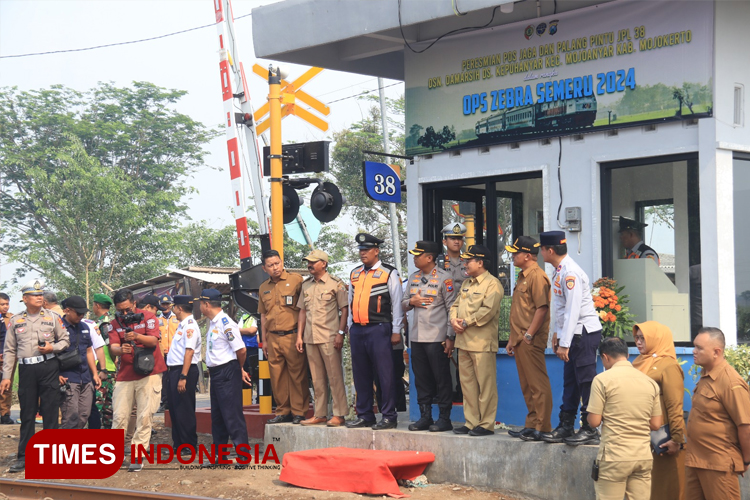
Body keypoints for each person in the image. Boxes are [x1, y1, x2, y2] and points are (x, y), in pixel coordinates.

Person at [539, 230, 603, 445]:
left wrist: (564, 343)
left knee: (586, 381)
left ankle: (590, 428)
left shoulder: (570, 273)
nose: (540, 253)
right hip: (572, 333)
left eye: (542, 249)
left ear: (550, 250)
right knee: (571, 382)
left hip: (583, 332)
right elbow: (560, 308)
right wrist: (557, 334)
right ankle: (566, 425)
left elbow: (573, 310)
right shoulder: (560, 270)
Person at [0, 279, 70, 473]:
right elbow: (10, 350)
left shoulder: (53, 317)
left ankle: (51, 458)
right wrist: (7, 376)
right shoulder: (16, 321)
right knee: (27, 414)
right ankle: (23, 457)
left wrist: (52, 347)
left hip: (49, 367)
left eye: (41, 294)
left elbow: (65, 340)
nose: (40, 297)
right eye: (35, 295)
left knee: (49, 413)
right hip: (26, 371)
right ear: (25, 299)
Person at [587, 337, 663, 500]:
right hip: (642, 456)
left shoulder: (602, 380)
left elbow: (594, 422)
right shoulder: (649, 383)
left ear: (605, 357)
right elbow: (656, 424)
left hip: (614, 457)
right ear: (627, 355)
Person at [346, 233, 404, 430]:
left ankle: (388, 415)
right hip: (358, 329)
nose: (363, 253)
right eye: (361, 250)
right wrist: (349, 326)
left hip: (380, 328)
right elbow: (350, 302)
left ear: (376, 251)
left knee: (384, 374)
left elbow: (397, 303)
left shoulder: (389, 272)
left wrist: (397, 330)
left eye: (367, 250)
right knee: (361, 374)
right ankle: (365, 415)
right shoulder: (355, 273)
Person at [685, 327, 750, 500]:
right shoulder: (707, 375)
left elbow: (745, 426)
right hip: (696, 460)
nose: (694, 351)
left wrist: (745, 461)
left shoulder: (730, 381)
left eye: (699, 347)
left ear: (716, 352)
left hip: (718, 464)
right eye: (694, 346)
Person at [108, 288, 167, 472]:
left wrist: (137, 337)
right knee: (119, 417)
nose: (124, 313)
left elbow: (153, 341)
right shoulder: (113, 323)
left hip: (149, 372)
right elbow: (113, 347)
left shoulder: (149, 317)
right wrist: (120, 350)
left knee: (144, 416)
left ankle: (137, 456)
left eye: (127, 309)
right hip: (125, 375)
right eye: (120, 310)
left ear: (134, 303)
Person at [449, 244, 503, 436]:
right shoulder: (466, 283)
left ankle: (486, 424)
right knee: (467, 385)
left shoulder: (492, 284)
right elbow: (454, 305)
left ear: (480, 263)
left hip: (481, 344)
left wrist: (465, 322)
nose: (465, 264)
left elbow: (487, 311)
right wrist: (453, 320)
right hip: (463, 342)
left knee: (485, 385)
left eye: (469, 260)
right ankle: (471, 422)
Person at [402, 241, 456, 432]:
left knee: (441, 378)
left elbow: (452, 309)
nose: (415, 258)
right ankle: (425, 416)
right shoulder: (413, 277)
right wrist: (412, 301)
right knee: (421, 379)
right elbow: (403, 304)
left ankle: (444, 418)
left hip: (437, 336)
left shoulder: (445, 278)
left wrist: (450, 336)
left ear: (430, 258)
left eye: (418, 255)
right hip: (417, 337)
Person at [505, 236, 553, 442]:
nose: (512, 256)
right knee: (527, 385)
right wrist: (511, 339)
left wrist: (529, 335)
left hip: (529, 339)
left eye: (515, 253)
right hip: (520, 339)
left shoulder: (537, 276)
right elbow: (520, 311)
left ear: (527, 255)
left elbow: (542, 309)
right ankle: (532, 424)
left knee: (537, 384)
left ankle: (543, 426)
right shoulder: (523, 276)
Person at [632, 321, 685, 500]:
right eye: (637, 338)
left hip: (662, 439)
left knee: (664, 489)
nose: (639, 342)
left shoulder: (668, 366)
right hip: (641, 437)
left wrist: (677, 439)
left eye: (643, 338)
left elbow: (674, 404)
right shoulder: (639, 362)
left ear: (656, 339)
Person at [296, 249, 349, 427]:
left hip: (329, 336)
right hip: (310, 338)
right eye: (308, 262)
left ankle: (339, 414)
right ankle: (319, 414)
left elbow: (344, 310)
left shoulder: (336, 284)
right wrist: (299, 336)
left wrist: (340, 334)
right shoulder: (306, 285)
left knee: (334, 377)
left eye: (313, 262)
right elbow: (302, 312)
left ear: (324, 263)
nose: (309, 265)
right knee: (317, 379)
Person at [258, 250, 309, 424]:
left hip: (292, 335)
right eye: (270, 265)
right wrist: (264, 340)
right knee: (277, 376)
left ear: (282, 262)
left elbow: (304, 309)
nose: (275, 268)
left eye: (277, 263)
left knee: (297, 375)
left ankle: (299, 412)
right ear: (265, 268)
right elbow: (263, 315)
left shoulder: (296, 280)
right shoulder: (263, 287)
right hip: (272, 337)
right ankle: (282, 411)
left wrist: (301, 335)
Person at [199, 289, 251, 448]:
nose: (200, 307)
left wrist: (238, 368)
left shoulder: (226, 323)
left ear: (207, 304)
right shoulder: (214, 322)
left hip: (227, 371)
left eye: (201, 304)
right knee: (218, 416)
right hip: (216, 372)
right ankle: (219, 455)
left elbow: (241, 350)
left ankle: (242, 455)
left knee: (232, 415)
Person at [58, 296, 101, 428]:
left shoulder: (85, 326)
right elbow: (52, 354)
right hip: (68, 377)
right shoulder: (58, 327)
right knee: (70, 416)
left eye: (83, 313)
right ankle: (66, 446)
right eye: (78, 313)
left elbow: (89, 350)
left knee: (83, 415)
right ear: (67, 310)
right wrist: (56, 374)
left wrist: (95, 373)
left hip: (86, 377)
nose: (81, 316)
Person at [166, 295, 201, 455]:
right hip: (175, 370)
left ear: (179, 308)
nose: (173, 309)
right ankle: (178, 443)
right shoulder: (182, 325)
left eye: (174, 306)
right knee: (174, 408)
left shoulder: (190, 326)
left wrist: (183, 377)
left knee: (184, 409)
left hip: (184, 370)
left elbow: (189, 352)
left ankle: (188, 445)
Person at [439, 222, 469, 403]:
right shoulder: (438, 262)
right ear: (445, 241)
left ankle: (462, 392)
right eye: (452, 238)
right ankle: (446, 395)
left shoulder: (469, 262)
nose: (456, 242)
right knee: (443, 356)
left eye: (459, 238)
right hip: (443, 315)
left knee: (464, 358)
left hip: (464, 315)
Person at [92, 293, 116, 429]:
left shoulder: (104, 324)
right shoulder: (110, 321)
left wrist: (104, 367)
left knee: (99, 405)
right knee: (109, 407)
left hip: (104, 370)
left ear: (98, 306)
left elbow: (110, 346)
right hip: (110, 369)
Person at [158, 294, 179, 413]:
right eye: (163, 304)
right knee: (163, 378)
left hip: (174, 353)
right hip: (162, 354)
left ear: (171, 305)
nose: (165, 306)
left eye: (167, 304)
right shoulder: (157, 319)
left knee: (174, 377)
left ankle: (174, 401)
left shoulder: (177, 318)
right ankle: (164, 401)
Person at [238, 310, 259, 395]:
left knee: (257, 374)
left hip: (255, 349)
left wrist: (242, 331)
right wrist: (247, 331)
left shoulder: (256, 316)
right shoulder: (244, 316)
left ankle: (259, 399)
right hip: (244, 348)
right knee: (245, 373)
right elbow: (237, 330)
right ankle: (246, 399)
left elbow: (252, 330)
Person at [0, 292, 13, 424]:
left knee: (6, 386)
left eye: (7, 304)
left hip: (7, 358)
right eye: (2, 304)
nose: (5, 307)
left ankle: (5, 414)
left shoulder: (12, 318)